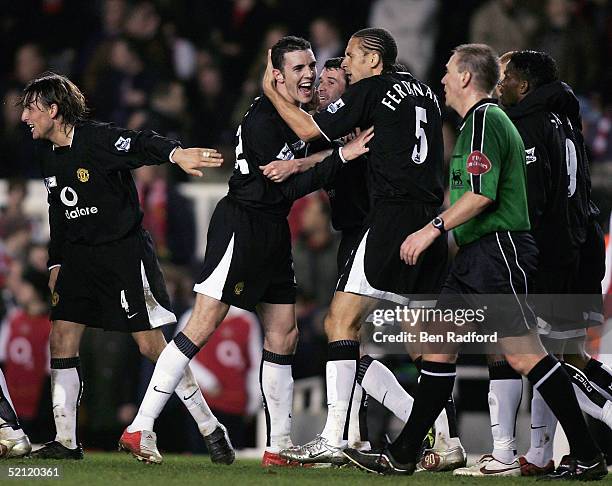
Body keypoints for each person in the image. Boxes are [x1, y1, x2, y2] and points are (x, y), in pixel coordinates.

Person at [342, 43, 607, 480]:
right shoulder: (477, 123)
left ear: (466, 77)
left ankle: (587, 453)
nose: (442, 79)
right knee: (438, 349)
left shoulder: (485, 119)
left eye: (448, 71)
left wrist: (431, 229)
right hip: (477, 255)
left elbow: (481, 195)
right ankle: (406, 452)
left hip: (498, 251)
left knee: (524, 357)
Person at [121, 36, 373, 467]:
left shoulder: (295, 113)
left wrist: (326, 155)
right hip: (242, 226)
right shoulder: (263, 119)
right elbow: (290, 184)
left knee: (285, 335)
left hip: (273, 231)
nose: (310, 74)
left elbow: (306, 158)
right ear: (277, 76)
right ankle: (141, 426)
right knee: (201, 325)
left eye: (311, 65)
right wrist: (341, 156)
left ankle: (278, 446)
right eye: (298, 68)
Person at [19, 72, 231, 463]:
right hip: (80, 259)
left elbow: (140, 142)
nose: (24, 118)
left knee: (152, 346)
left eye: (31, 108)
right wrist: (57, 260)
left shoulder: (95, 138)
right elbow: (58, 210)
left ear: (53, 109)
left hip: (123, 253)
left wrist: (176, 154)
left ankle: (209, 426)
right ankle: (66, 442)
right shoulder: (46, 152)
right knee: (61, 338)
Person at [261, 28, 450, 466]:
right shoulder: (423, 92)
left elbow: (310, 129)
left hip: (389, 219)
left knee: (340, 321)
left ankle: (333, 437)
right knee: (426, 344)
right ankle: (446, 439)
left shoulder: (371, 90)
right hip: (428, 220)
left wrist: (272, 92)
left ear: (373, 59)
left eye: (349, 56)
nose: (344, 63)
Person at [481, 50, 608, 477]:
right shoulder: (565, 117)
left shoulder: (529, 124)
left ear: (524, 85)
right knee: (561, 354)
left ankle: (546, 449)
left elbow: (532, 200)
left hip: (554, 253)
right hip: (579, 243)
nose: (499, 86)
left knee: (544, 356)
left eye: (505, 78)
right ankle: (539, 452)